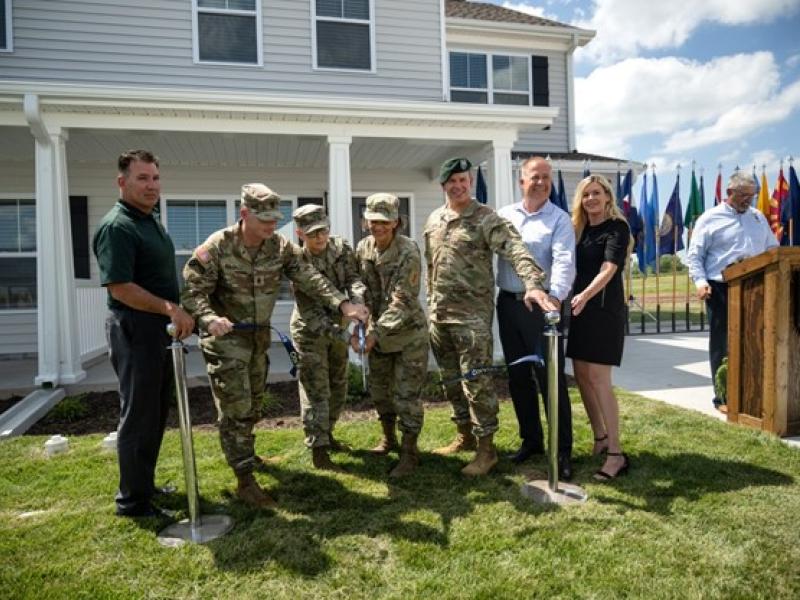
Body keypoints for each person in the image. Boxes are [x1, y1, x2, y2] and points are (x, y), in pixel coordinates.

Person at [181, 184, 368, 508]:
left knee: (253, 405)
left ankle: (247, 455)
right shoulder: (219, 246)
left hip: (258, 339)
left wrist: (343, 305)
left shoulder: (279, 247)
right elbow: (191, 290)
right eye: (263, 219)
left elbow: (309, 276)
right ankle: (244, 480)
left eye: (273, 219)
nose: (270, 226)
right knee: (236, 409)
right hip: (226, 340)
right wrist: (209, 318)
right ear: (244, 214)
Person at [424, 157, 556, 476]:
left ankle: (487, 449)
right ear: (443, 186)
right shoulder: (434, 219)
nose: (458, 186)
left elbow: (516, 249)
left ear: (470, 183)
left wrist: (533, 284)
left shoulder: (486, 218)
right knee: (452, 380)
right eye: (452, 181)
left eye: (463, 180)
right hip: (439, 315)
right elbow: (432, 266)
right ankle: (465, 435)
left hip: (471, 319)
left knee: (476, 382)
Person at [92, 149, 195, 518]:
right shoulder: (118, 226)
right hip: (135, 328)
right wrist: (169, 307)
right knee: (138, 414)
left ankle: (144, 486)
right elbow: (119, 287)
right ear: (123, 182)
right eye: (142, 178)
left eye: (155, 178)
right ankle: (133, 502)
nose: (152, 185)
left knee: (153, 412)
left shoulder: (147, 220)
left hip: (157, 330)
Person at [496, 156, 575, 480]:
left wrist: (553, 299)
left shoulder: (559, 219)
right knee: (518, 378)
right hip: (508, 305)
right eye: (534, 176)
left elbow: (564, 261)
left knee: (550, 380)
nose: (541, 182)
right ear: (521, 181)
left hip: (543, 307)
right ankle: (532, 441)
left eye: (546, 177)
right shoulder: (503, 216)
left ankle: (562, 452)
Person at [686, 170, 778, 411]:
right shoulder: (709, 218)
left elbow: (772, 249)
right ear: (729, 193)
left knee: (756, 340)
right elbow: (695, 255)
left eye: (752, 196)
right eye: (743, 196)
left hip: (757, 285)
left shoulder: (758, 217)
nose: (749, 201)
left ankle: (752, 391)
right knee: (723, 343)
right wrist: (699, 281)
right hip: (721, 288)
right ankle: (723, 397)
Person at [353, 193, 429, 478]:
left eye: (385, 222)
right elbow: (357, 282)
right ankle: (389, 439)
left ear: (396, 222)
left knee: (406, 396)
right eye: (373, 221)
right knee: (381, 392)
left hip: (408, 336)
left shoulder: (408, 251)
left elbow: (403, 300)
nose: (378, 227)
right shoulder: (363, 248)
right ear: (366, 221)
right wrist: (359, 313)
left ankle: (410, 453)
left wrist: (374, 331)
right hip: (378, 336)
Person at [290, 204, 366, 471]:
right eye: (312, 234)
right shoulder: (297, 263)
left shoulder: (342, 248)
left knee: (338, 385)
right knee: (316, 390)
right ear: (300, 233)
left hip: (340, 324)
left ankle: (328, 433)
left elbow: (354, 277)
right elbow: (311, 313)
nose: (319, 238)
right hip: (311, 331)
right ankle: (318, 448)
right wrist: (346, 336)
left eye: (322, 231)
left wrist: (357, 300)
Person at [566, 174, 632, 481]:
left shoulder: (617, 228)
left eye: (596, 193)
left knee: (599, 378)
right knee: (581, 375)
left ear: (607, 197)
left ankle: (617, 454)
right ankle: (600, 438)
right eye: (585, 194)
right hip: (580, 310)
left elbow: (609, 268)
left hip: (604, 310)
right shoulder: (578, 230)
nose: (591, 199)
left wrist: (585, 295)